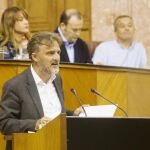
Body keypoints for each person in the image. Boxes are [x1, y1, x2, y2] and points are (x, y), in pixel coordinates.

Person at [0, 32, 83, 139]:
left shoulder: (57, 79)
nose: (57, 58)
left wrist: (73, 113)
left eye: (58, 52)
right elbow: (5, 123)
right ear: (35, 57)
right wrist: (35, 124)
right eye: (50, 53)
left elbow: (54, 113)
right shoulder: (15, 85)